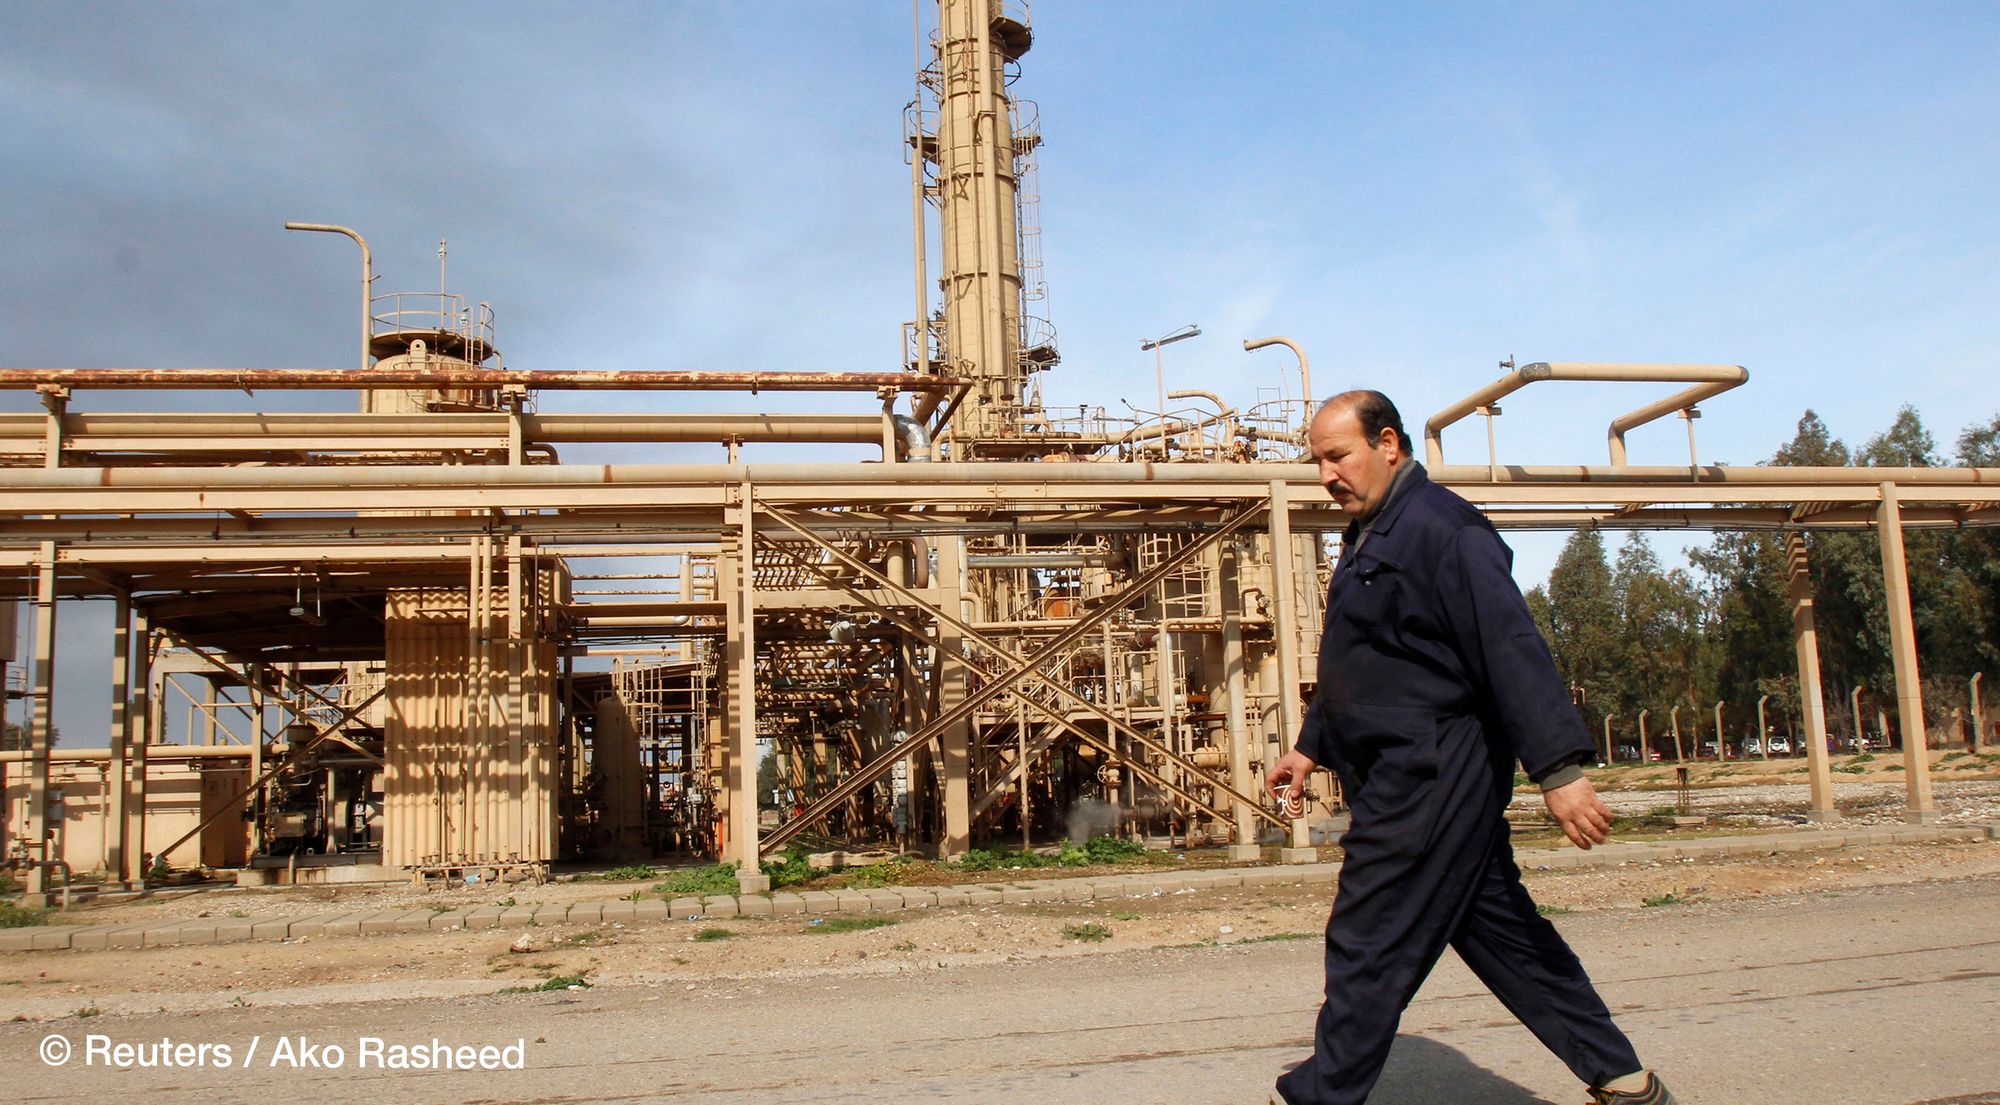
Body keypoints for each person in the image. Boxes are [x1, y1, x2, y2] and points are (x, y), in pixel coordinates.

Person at [1264, 390, 1675, 1105]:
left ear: (1387, 444)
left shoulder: (1444, 530)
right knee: (1502, 931)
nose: (1326, 474)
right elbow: (1361, 660)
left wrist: (1559, 770)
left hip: (1427, 777)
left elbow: (1510, 648)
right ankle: (1621, 1076)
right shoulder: (1371, 531)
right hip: (1403, 772)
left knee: (1368, 941)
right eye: (1317, 461)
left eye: (1338, 456)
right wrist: (1310, 747)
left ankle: (1319, 1096)